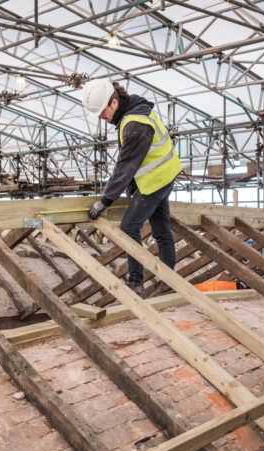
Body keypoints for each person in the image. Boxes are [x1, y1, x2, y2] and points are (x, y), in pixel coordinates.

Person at [81, 79, 181, 298]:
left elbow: (126, 166)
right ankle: (169, 284)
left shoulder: (135, 124)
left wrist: (105, 200)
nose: (100, 117)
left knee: (129, 228)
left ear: (114, 103)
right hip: (164, 175)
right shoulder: (137, 112)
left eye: (101, 111)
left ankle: (136, 282)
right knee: (162, 231)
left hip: (155, 181)